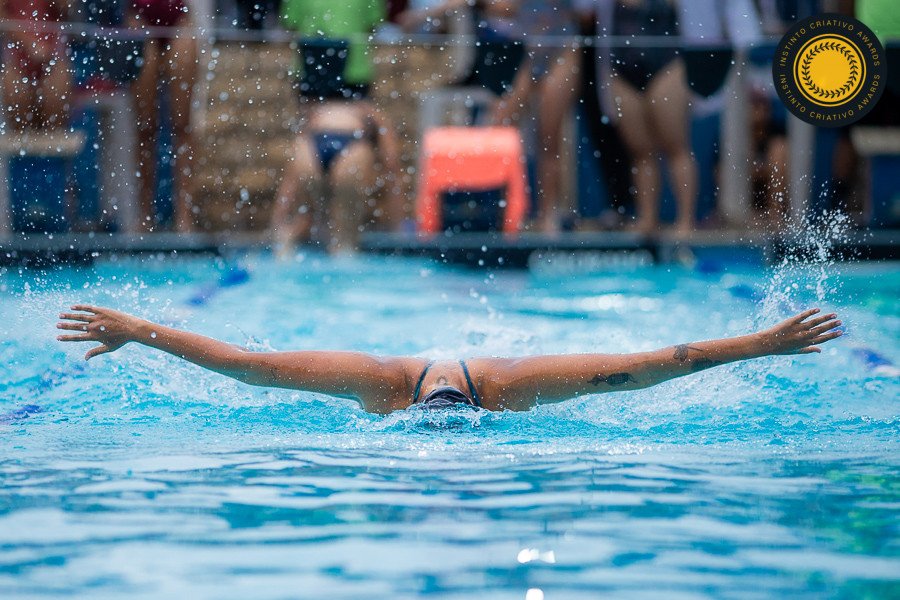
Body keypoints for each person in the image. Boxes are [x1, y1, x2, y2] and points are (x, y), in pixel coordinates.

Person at [57, 305, 842, 414]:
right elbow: (247, 363)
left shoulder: (504, 389)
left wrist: (764, 345)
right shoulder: (380, 382)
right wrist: (134, 329)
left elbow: (652, 364)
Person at [272, 0, 403, 254]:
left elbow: (289, 26)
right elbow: (392, 167)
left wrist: (275, 229)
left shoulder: (311, 120)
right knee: (344, 243)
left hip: (313, 140)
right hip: (353, 138)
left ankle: (293, 233)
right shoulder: (369, 115)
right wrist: (400, 233)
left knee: (299, 221)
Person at [127, 0, 198, 232]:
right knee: (145, 127)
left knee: (182, 126)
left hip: (178, 19)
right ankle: (145, 213)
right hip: (140, 16)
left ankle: (185, 215)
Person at [1, 0, 72, 132]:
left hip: (52, 55)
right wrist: (27, 42)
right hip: (17, 56)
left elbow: (67, 7)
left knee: (54, 120)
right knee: (19, 115)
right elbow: (2, 17)